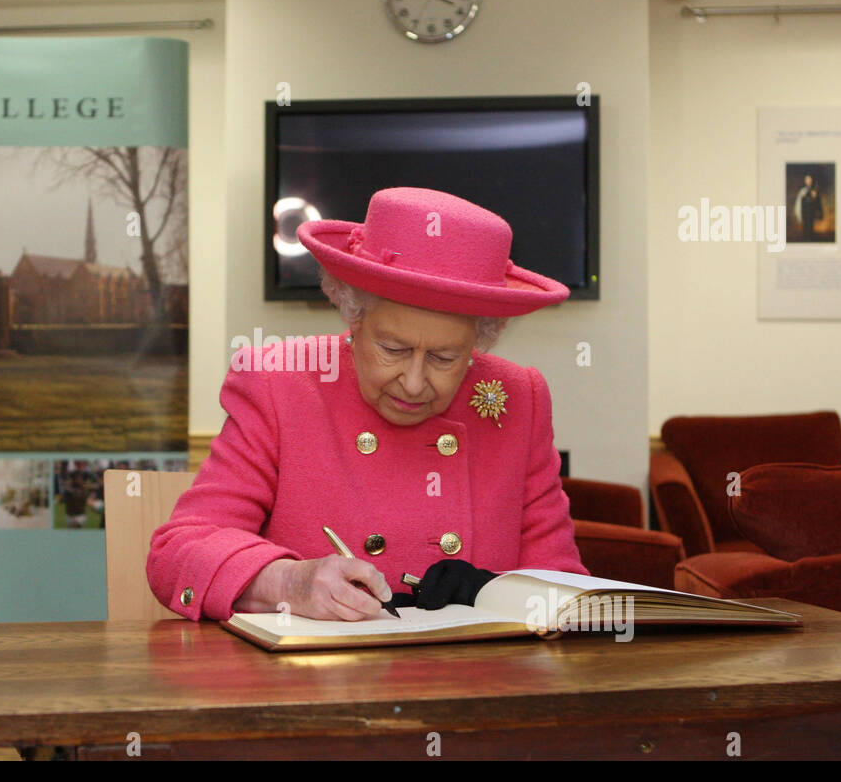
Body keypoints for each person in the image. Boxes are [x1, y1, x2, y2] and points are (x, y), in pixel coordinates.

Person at [149, 187, 588, 622]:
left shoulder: (518, 398)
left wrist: (504, 595)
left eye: (444, 358)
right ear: (352, 314)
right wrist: (286, 582)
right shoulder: (278, 384)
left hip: (475, 678)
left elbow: (560, 583)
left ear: (482, 339)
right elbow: (177, 554)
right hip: (315, 682)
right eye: (393, 349)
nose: (414, 383)